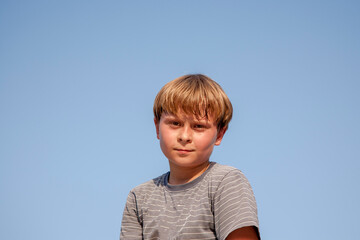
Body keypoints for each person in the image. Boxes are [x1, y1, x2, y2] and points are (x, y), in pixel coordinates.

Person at [120, 74, 260, 240]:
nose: (185, 136)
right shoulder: (139, 197)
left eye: (198, 126)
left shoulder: (225, 182)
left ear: (220, 134)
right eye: (175, 123)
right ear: (157, 127)